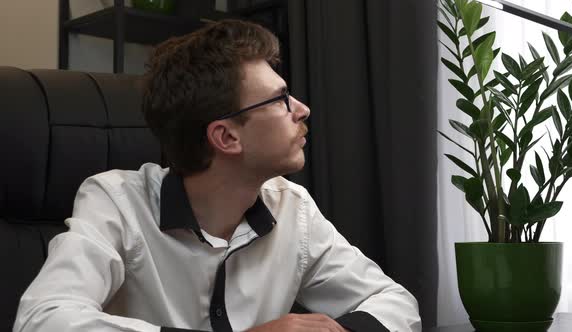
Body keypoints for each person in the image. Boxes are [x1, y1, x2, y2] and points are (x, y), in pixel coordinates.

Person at [13, 20, 421, 332]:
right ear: (226, 136)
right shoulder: (116, 201)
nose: (301, 108)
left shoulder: (291, 207)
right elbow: (43, 319)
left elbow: (395, 303)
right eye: (280, 99)